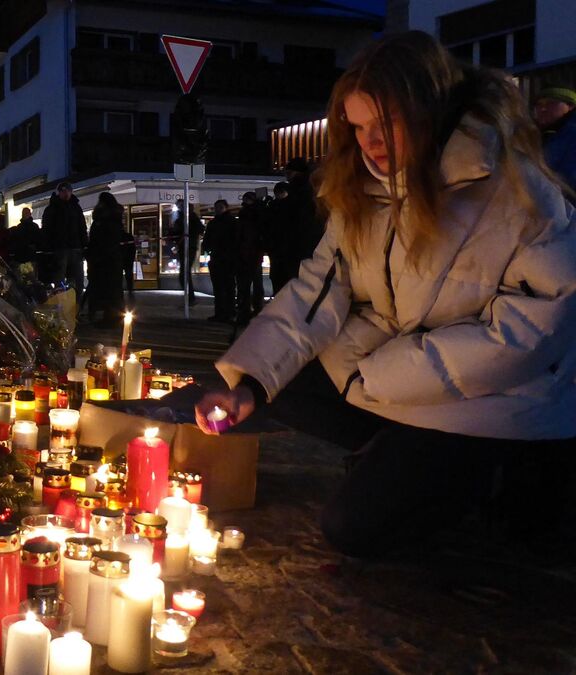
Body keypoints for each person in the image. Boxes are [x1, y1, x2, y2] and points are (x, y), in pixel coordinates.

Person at [194, 31, 576, 558]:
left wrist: (387, 370)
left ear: (431, 107)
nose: (371, 142)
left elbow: (531, 331)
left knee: (353, 528)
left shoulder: (516, 190)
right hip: (401, 376)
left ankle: (499, 477)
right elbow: (318, 290)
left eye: (386, 123)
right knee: (284, 383)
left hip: (497, 404)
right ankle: (396, 453)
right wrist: (249, 386)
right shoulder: (365, 190)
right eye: (359, 126)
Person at [84, 192, 125, 326]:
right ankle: (111, 316)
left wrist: (95, 254)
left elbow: (105, 240)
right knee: (111, 289)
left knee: (108, 289)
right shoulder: (112, 218)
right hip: (107, 259)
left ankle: (111, 318)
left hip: (105, 260)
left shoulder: (107, 219)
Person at [42, 182, 88, 298]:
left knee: (75, 279)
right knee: (62, 278)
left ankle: (75, 302)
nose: (66, 193)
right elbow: (47, 230)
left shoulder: (74, 207)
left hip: (71, 248)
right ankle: (64, 302)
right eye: (63, 191)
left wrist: (84, 245)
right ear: (59, 192)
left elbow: (82, 227)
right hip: (61, 248)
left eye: (67, 190)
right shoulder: (54, 208)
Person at [201, 199, 238, 323]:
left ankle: (227, 312)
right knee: (221, 287)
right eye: (217, 207)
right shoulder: (217, 223)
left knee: (226, 287)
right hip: (219, 258)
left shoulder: (229, 222)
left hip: (226, 258)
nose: (218, 209)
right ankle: (222, 312)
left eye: (220, 207)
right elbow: (207, 239)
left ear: (226, 208)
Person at [533, 86, 576, 190]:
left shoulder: (571, 136)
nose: (543, 109)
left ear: (570, 106)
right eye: (539, 105)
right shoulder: (540, 134)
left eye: (551, 103)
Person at [234, 191, 265, 325]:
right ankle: (248, 311)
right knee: (250, 285)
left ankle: (248, 311)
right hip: (248, 254)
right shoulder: (253, 214)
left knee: (249, 285)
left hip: (250, 254)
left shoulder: (253, 215)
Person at [266, 181, 298, 294]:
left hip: (280, 250)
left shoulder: (273, 207)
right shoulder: (293, 206)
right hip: (284, 250)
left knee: (280, 279)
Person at [120, 227, 137, 302]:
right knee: (129, 275)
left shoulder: (117, 237)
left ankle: (121, 290)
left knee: (119, 276)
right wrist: (131, 258)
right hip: (128, 260)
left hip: (121, 260)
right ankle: (130, 290)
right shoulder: (129, 236)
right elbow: (133, 249)